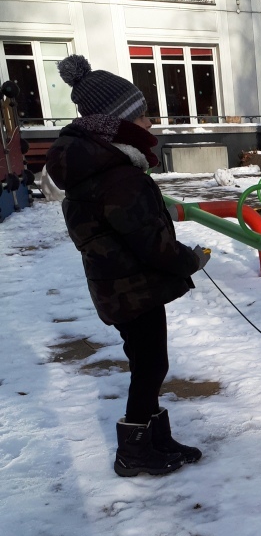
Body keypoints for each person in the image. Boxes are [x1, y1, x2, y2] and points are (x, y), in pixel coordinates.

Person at [45, 54, 211, 477]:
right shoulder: (118, 176)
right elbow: (152, 244)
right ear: (117, 123)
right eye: (141, 116)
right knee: (151, 366)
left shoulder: (99, 166)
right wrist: (189, 260)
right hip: (131, 289)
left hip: (120, 286)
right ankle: (134, 451)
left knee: (147, 363)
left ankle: (155, 439)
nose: (149, 123)